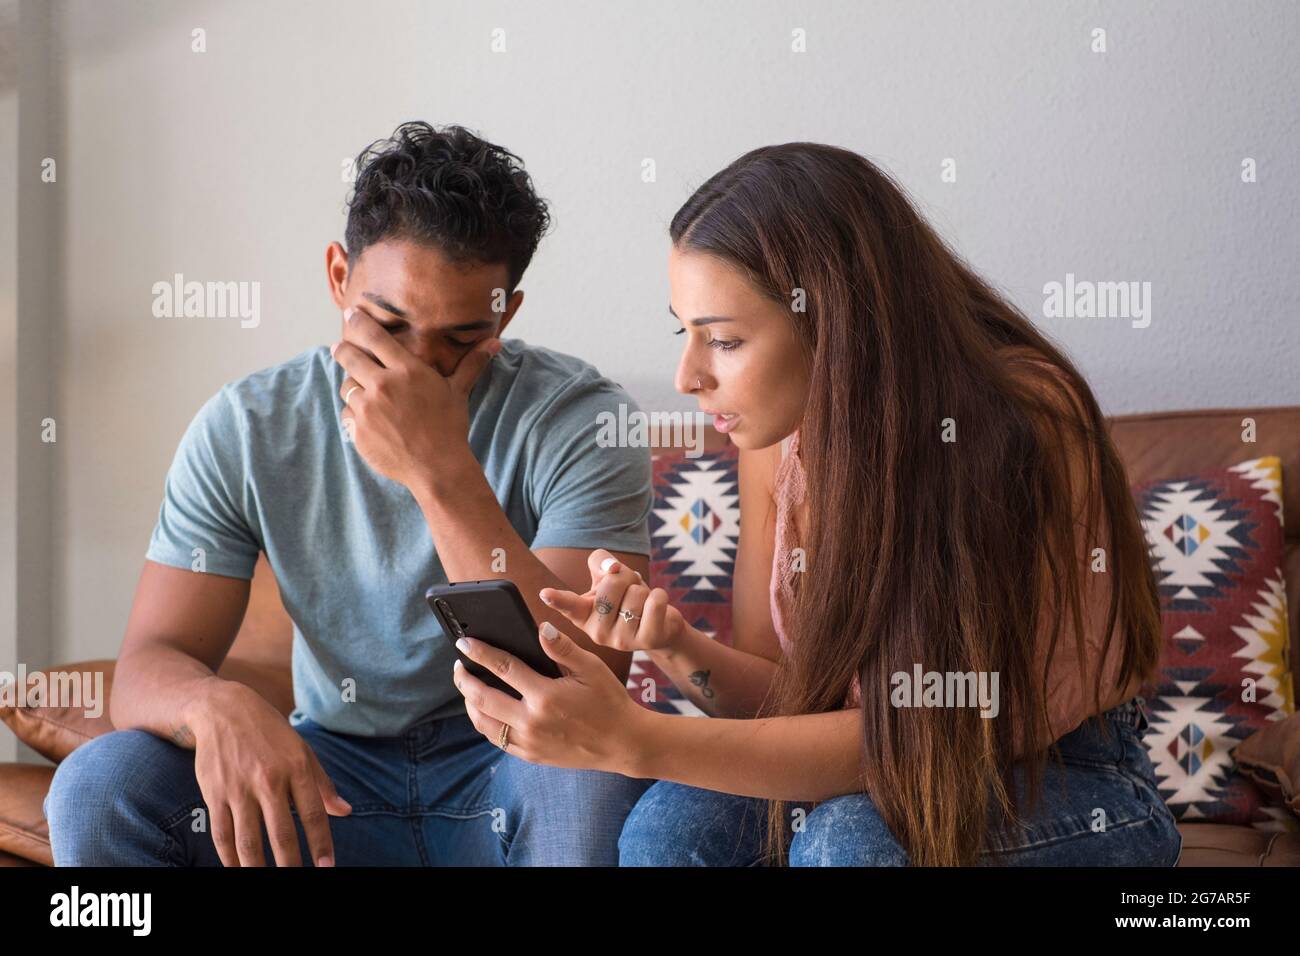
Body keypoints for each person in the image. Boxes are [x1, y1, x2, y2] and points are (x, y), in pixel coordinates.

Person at [446, 142, 1183, 867]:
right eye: (685, 331)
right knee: (668, 831)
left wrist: (635, 740)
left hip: (1067, 775)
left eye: (724, 340)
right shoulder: (778, 432)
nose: (687, 375)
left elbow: (926, 736)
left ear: (836, 323)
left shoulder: (1024, 419)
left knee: (849, 846)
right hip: (890, 765)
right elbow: (787, 714)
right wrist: (673, 647)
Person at [44, 122, 655, 866]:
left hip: (512, 761)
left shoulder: (585, 419)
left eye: (460, 338)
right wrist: (214, 702)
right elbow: (149, 662)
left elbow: (585, 677)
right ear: (338, 276)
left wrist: (438, 470)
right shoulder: (249, 426)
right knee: (97, 787)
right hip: (327, 780)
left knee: (590, 781)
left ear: (507, 311)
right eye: (389, 323)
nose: (415, 369)